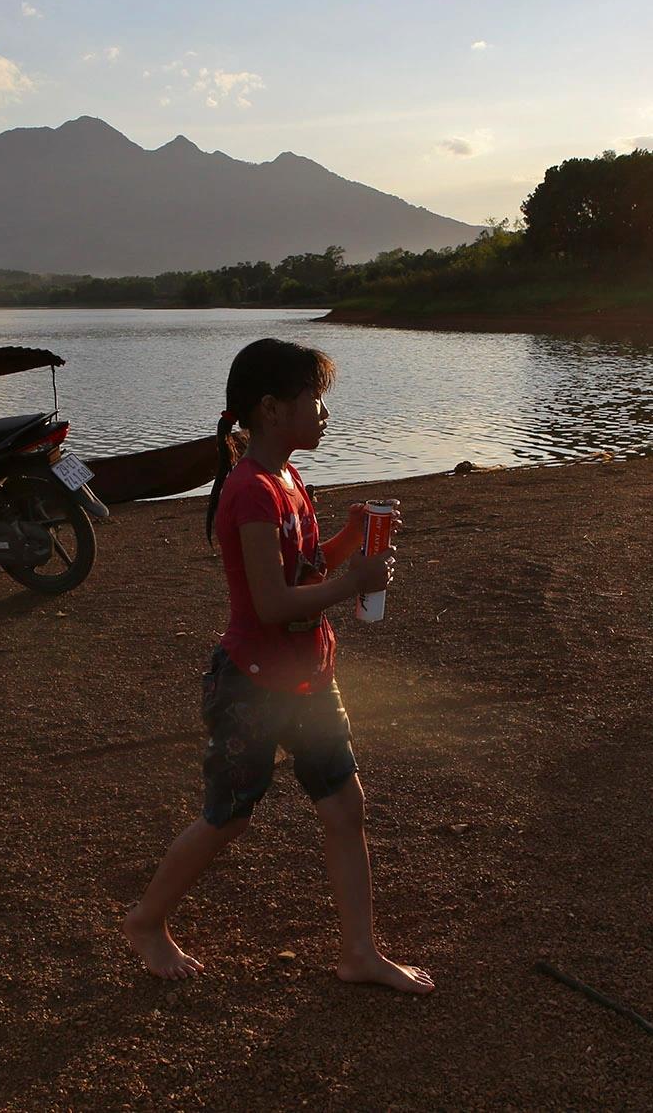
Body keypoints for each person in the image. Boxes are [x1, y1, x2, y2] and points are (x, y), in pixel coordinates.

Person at [121, 337, 433, 994]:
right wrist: (357, 581)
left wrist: (350, 538)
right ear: (270, 407)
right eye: (313, 400)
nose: (324, 413)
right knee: (229, 816)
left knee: (345, 805)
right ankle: (147, 922)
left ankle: (358, 952)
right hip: (253, 685)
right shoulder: (251, 491)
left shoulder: (287, 477)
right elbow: (271, 603)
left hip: (309, 678)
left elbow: (305, 566)